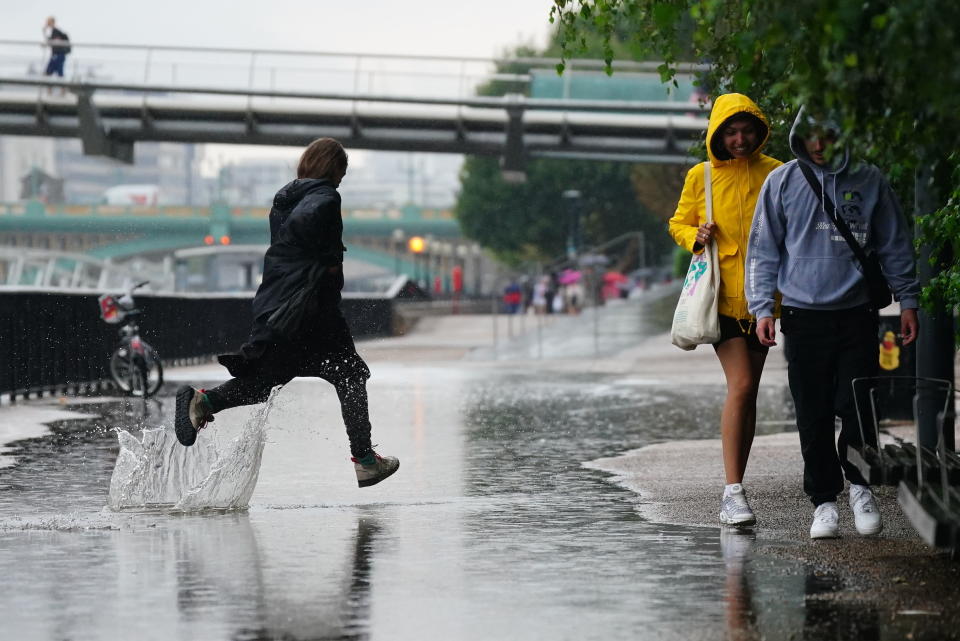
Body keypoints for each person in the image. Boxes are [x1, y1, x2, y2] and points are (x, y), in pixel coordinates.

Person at [174, 138, 400, 489]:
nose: (342, 178)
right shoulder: (325, 196)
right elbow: (306, 225)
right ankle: (366, 461)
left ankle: (202, 403)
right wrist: (318, 258)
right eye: (342, 170)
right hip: (313, 310)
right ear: (331, 167)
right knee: (350, 374)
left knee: (264, 382)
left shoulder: (285, 198)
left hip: (287, 308)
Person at [746, 108, 920, 539]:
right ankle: (823, 501)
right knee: (813, 411)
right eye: (810, 137)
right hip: (803, 317)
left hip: (857, 313)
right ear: (799, 138)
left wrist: (909, 300)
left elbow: (894, 243)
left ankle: (861, 488)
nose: (818, 145)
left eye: (826, 136)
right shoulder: (782, 182)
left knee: (857, 405)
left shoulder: (869, 180)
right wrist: (763, 308)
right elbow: (763, 249)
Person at [668, 93, 783, 527]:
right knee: (742, 384)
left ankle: (737, 485)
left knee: (748, 390)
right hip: (722, 297)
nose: (739, 139)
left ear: (758, 130)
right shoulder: (701, 175)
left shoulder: (778, 173)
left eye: (746, 130)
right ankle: (732, 491)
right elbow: (678, 222)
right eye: (730, 132)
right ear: (717, 134)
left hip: (765, 300)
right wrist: (695, 235)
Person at [42, 17, 70, 92]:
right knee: (53, 73)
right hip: (57, 55)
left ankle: (59, 91)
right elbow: (51, 41)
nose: (47, 23)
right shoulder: (55, 31)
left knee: (54, 73)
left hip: (58, 55)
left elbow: (54, 42)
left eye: (48, 22)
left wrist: (45, 32)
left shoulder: (56, 31)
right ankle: (54, 90)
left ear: (52, 22)